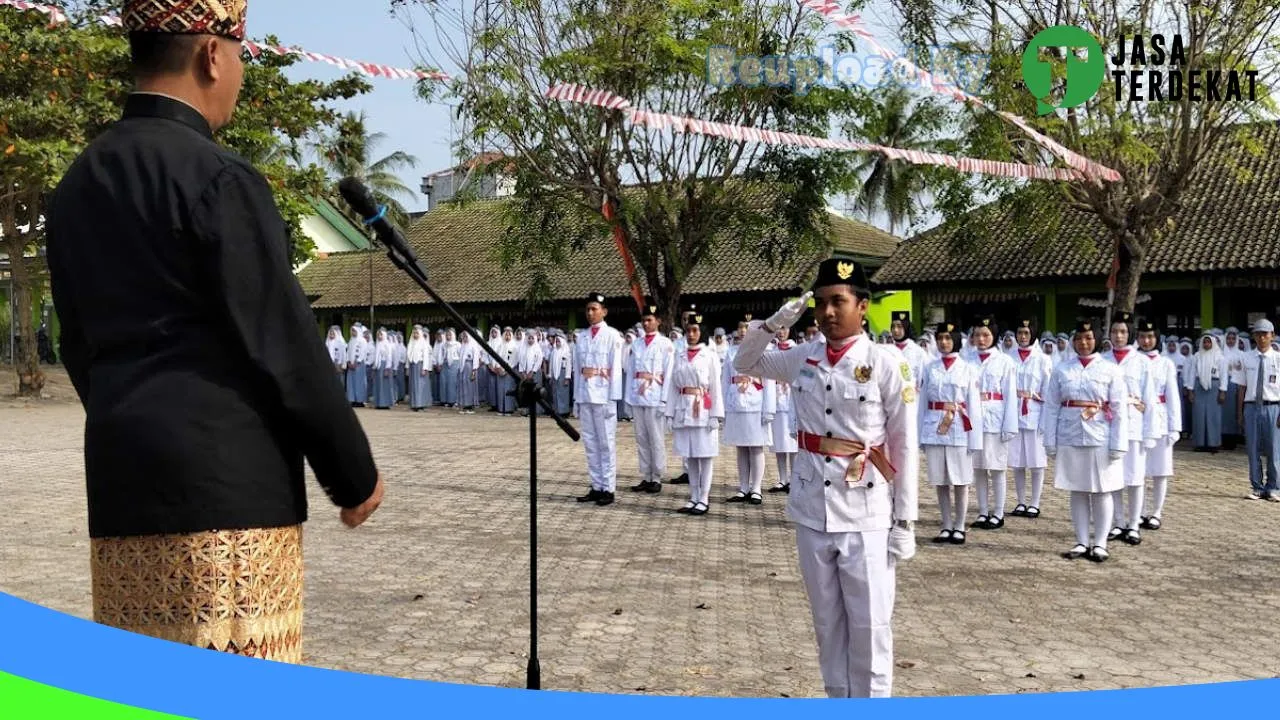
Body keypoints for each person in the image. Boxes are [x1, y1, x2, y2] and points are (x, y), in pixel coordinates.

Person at [44, 0, 383, 663]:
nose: (240, 74)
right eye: (241, 58)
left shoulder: (76, 186)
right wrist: (353, 474)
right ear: (211, 53)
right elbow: (283, 341)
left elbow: (77, 343)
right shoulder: (220, 178)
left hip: (123, 486)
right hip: (227, 495)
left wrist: (130, 413)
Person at [733, 258, 919, 698]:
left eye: (838, 301)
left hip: (868, 512)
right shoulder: (804, 357)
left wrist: (905, 522)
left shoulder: (885, 362)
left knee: (870, 626)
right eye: (820, 303)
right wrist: (779, 321)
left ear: (863, 306)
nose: (828, 312)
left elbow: (904, 445)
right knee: (827, 624)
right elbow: (746, 361)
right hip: (813, 508)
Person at [1042, 319, 1128, 562]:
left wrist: (1118, 444)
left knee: (1102, 490)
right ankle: (1081, 541)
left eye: (1089, 338)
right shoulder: (1062, 369)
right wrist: (1050, 439)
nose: (1083, 343)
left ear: (1098, 340)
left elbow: (1120, 409)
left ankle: (1100, 543)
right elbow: (1051, 406)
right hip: (1069, 434)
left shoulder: (1110, 369)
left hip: (1101, 435)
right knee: (1078, 490)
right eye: (1079, 338)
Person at [918, 321, 983, 544]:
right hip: (934, 427)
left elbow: (974, 406)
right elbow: (922, 402)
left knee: (960, 479)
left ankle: (960, 525)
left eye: (948, 338)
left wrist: (976, 438)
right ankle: (945, 524)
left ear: (956, 340)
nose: (944, 342)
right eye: (941, 339)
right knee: (941, 480)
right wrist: (919, 434)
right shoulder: (929, 367)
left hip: (958, 428)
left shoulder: (968, 368)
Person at [1102, 312, 1158, 544]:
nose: (1118, 336)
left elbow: (1150, 399)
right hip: (1108, 426)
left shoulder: (1142, 362)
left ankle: (1134, 524)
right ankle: (1118, 522)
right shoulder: (1102, 360)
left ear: (1130, 334)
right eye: (1115, 331)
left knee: (1135, 478)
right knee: (1113, 477)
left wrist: (1150, 433)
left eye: (1123, 331)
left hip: (1134, 426)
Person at [664, 309, 724, 515]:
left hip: (703, 410)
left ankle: (704, 498)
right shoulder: (679, 354)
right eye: (688, 330)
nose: (691, 334)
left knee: (704, 455)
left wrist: (716, 415)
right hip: (683, 408)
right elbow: (673, 385)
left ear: (702, 331)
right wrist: (669, 413)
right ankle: (693, 496)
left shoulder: (709, 355)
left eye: (695, 330)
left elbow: (716, 386)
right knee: (689, 456)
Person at [573, 293, 625, 506]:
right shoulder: (581, 337)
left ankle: (608, 487)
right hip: (586, 395)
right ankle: (596, 485)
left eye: (594, 309)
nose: (590, 313)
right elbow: (577, 370)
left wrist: (613, 399)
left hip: (603, 396)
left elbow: (617, 370)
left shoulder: (613, 336)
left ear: (604, 311)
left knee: (606, 443)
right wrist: (576, 398)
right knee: (591, 443)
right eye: (588, 309)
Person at [968, 317, 1018, 530]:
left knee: (996, 468)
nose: (981, 339)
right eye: (978, 335)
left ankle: (998, 512)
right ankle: (982, 511)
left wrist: (1009, 425)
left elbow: (1010, 395)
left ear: (994, 337)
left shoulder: (1005, 361)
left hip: (995, 418)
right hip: (972, 418)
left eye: (986, 335)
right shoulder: (967, 360)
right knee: (978, 468)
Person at [723, 314, 777, 505]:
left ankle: (756, 488)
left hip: (756, 401)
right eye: (741, 328)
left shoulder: (762, 350)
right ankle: (743, 487)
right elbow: (726, 379)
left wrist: (769, 409)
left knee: (755, 446)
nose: (743, 331)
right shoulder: (731, 351)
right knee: (741, 446)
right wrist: (724, 407)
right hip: (736, 401)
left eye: (747, 328)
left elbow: (769, 381)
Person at [1138, 320, 1181, 533]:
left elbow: (1173, 397)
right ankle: (1138, 511)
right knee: (1138, 470)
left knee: (1160, 470)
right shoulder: (1132, 361)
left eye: (1150, 337)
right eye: (1143, 337)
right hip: (1137, 420)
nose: (1146, 341)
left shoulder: (1166, 363)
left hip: (1161, 420)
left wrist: (1175, 427)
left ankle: (1156, 512)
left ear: (1157, 339)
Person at [627, 301, 675, 494]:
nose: (646, 324)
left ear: (658, 322)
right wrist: (628, 398)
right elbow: (631, 371)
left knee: (656, 438)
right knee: (641, 438)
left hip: (655, 396)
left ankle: (657, 476)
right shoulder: (636, 344)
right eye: (644, 320)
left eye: (649, 320)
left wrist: (665, 400)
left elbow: (669, 374)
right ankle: (645, 475)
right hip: (638, 395)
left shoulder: (665, 344)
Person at [1008, 319, 1053, 519]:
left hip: (1034, 411)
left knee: (1036, 462)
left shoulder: (1042, 359)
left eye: (1026, 333)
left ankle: (1035, 502)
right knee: (1017, 461)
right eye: (1020, 332)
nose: (1022, 336)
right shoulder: (1008, 358)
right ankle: (1020, 501)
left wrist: (1045, 420)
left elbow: (1048, 390)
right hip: (1014, 412)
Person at [1238, 319, 1280, 501]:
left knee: (1274, 449)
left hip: (1273, 407)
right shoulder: (1246, 358)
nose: (1262, 337)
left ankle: (1274, 487)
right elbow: (1241, 387)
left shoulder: (1278, 359)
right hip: (1251, 407)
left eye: (1265, 334)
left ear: (1273, 336)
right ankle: (1256, 486)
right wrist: (1239, 412)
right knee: (1253, 448)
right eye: (1258, 334)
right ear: (1254, 336)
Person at [768, 327, 800, 494]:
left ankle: (794, 479)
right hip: (776, 399)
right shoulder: (771, 350)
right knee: (779, 442)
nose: (781, 332)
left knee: (793, 445)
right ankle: (782, 479)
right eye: (778, 329)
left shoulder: (797, 350)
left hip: (791, 399)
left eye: (784, 329)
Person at [1184, 332, 1227, 452]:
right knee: (1199, 416)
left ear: (1213, 343)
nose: (1207, 344)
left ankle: (1213, 444)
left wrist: (1223, 391)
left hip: (1214, 387)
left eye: (1209, 342)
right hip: (1199, 387)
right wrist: (1190, 390)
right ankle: (1200, 443)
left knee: (1214, 416)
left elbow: (1223, 375)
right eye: (1205, 342)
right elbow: (1192, 373)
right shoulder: (1197, 356)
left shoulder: (1220, 357)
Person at [889, 310, 927, 389]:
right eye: (893, 326)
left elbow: (923, 380)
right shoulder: (887, 351)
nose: (895, 330)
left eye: (899, 326)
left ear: (906, 328)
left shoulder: (918, 352)